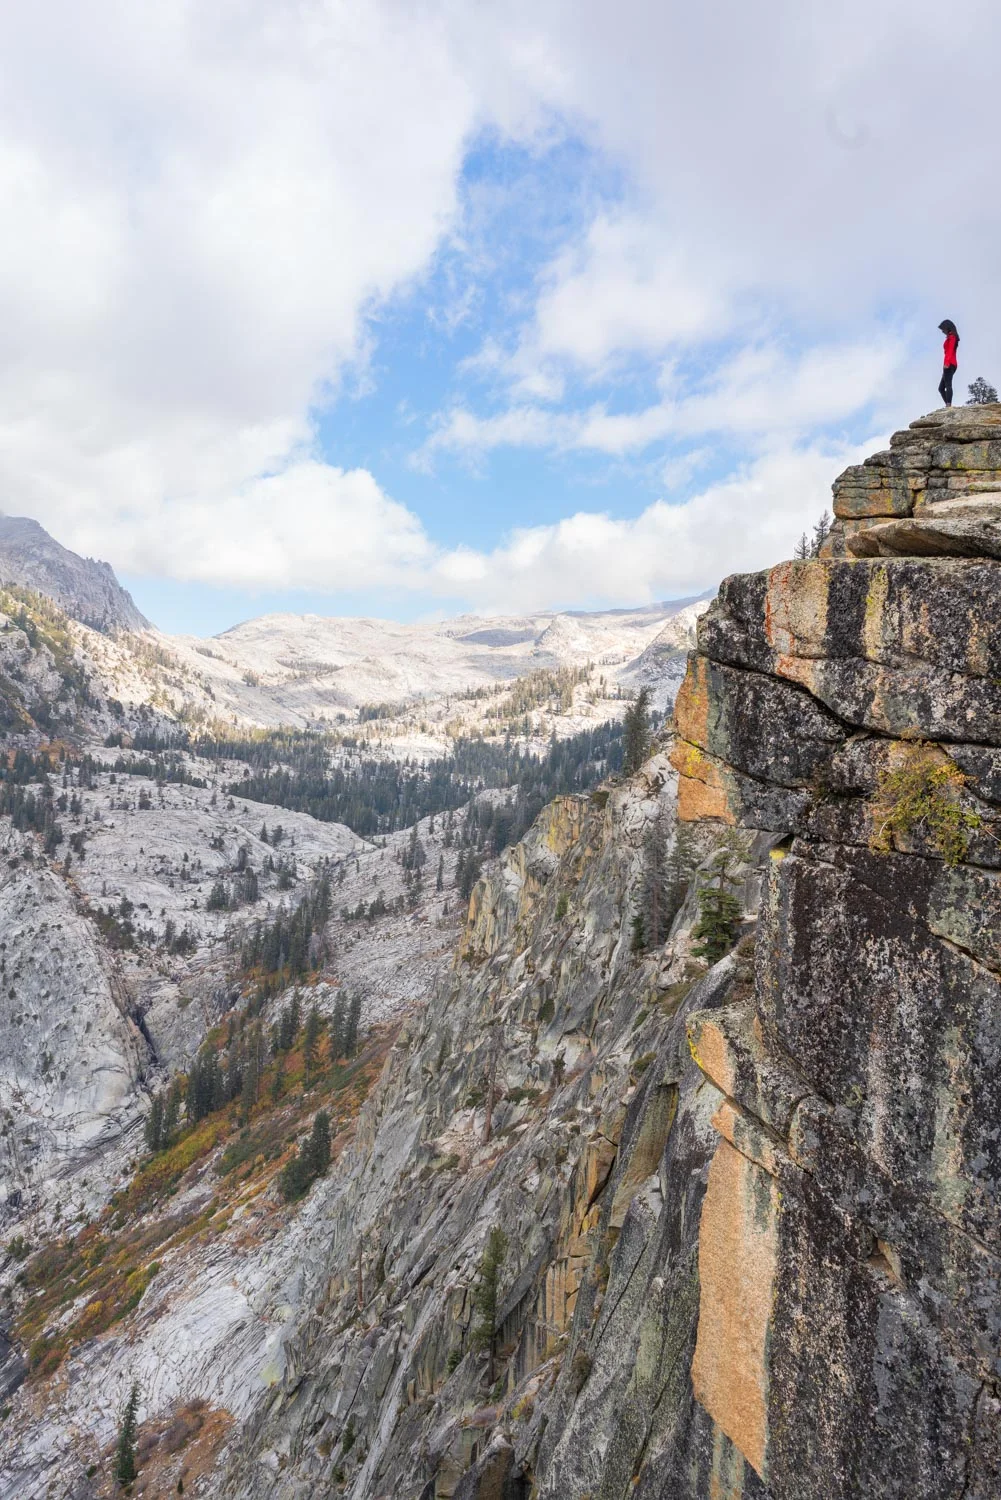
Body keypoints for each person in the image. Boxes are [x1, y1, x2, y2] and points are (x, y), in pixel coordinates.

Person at [938, 319, 960, 406]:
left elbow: (950, 350)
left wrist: (947, 363)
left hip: (950, 363)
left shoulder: (952, 337)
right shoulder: (950, 337)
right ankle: (948, 405)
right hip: (949, 363)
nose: (942, 331)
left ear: (947, 328)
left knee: (948, 385)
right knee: (941, 388)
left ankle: (948, 404)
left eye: (943, 329)